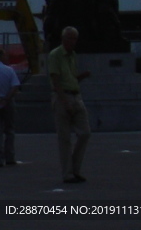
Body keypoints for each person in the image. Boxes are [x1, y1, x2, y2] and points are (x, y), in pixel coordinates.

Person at [49, 25, 91, 183]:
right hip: (63, 96)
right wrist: (64, 101)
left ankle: (74, 168)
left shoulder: (72, 55)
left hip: (75, 94)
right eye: (69, 38)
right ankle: (68, 173)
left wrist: (81, 77)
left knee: (85, 133)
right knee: (64, 138)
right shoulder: (56, 55)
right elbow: (56, 79)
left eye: (74, 39)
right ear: (63, 39)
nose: (72, 42)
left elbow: (71, 78)